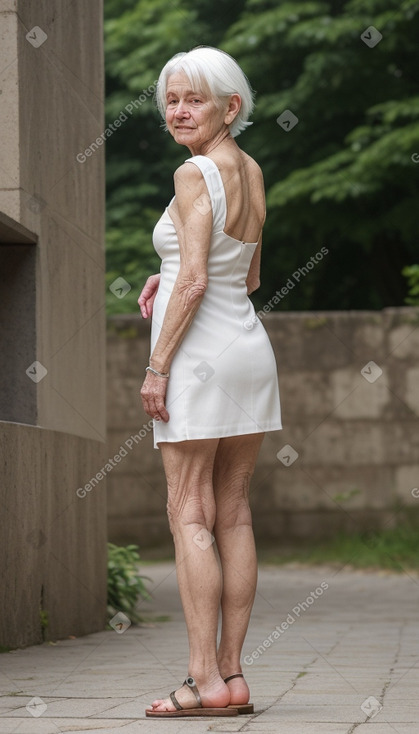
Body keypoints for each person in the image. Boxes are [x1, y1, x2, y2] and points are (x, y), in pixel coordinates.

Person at [138, 46, 282, 717]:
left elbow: (197, 280)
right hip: (247, 346)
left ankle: (202, 682)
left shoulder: (194, 172)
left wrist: (156, 365)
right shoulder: (249, 170)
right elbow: (242, 279)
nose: (178, 110)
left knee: (188, 510)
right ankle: (232, 676)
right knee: (233, 510)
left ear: (231, 106)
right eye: (170, 98)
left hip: (197, 357)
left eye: (193, 98)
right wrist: (168, 273)